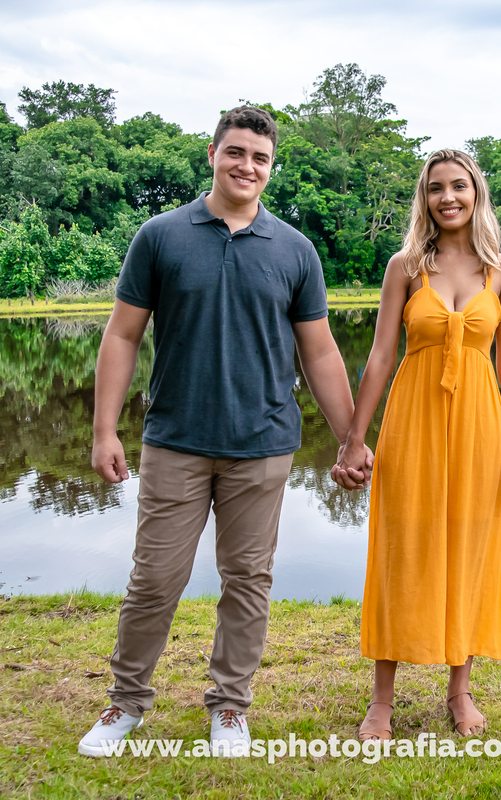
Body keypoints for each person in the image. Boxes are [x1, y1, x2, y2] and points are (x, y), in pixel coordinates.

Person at [78, 106, 372, 758]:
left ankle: (230, 708)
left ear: (272, 167)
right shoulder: (160, 236)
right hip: (175, 440)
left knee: (248, 581)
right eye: (235, 152)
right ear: (211, 153)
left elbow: (320, 353)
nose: (247, 166)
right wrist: (105, 430)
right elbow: (123, 335)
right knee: (155, 579)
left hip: (263, 446)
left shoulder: (295, 249)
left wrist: (351, 439)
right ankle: (126, 701)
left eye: (260, 158)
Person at [333, 149, 501, 740]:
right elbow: (378, 357)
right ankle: (381, 700)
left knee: (470, 543)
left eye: (459, 187)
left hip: (477, 425)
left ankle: (460, 690)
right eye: (436, 189)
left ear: (477, 194)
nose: (448, 198)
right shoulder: (405, 266)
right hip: (413, 420)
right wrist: (354, 439)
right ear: (424, 198)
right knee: (404, 545)